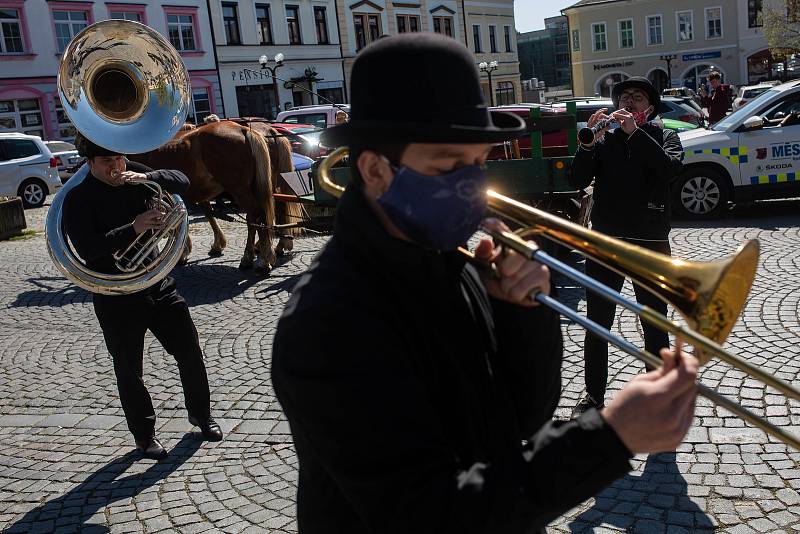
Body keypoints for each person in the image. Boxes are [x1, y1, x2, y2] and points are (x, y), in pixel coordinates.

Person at [271, 34, 698, 533]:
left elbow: (520, 422)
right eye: (450, 165)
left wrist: (524, 314)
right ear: (374, 171)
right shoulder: (328, 323)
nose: (472, 184)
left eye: (479, 163)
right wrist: (610, 438)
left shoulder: (451, 259)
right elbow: (431, 516)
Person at [63, 133, 223, 460]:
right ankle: (145, 435)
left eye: (119, 159)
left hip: (157, 283)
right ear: (89, 163)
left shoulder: (133, 173)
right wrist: (134, 228)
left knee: (190, 351)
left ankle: (201, 414)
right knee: (129, 368)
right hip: (116, 294)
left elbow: (182, 180)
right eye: (108, 162)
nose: (117, 166)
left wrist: (148, 176)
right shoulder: (78, 198)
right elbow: (88, 249)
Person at [569, 77, 685, 418]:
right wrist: (589, 145)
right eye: (624, 96)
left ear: (649, 107)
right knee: (597, 324)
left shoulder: (665, 137)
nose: (629, 101)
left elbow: (669, 170)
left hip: (649, 243)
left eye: (637, 97)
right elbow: (577, 179)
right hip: (607, 243)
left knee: (654, 324)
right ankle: (593, 397)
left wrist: (637, 133)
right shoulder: (605, 140)